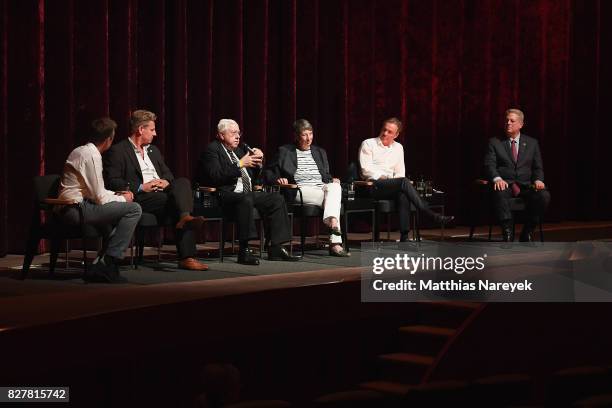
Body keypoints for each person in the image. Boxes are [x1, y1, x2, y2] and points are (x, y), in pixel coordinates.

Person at [103, 110, 208, 271]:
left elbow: (168, 175)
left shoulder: (154, 150)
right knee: (177, 204)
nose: (155, 133)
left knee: (182, 182)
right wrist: (140, 186)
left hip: (163, 193)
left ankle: (185, 217)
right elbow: (113, 181)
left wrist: (165, 182)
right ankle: (187, 256)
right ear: (140, 130)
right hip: (141, 196)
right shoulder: (119, 151)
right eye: (152, 130)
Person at [197, 119, 300, 265]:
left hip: (247, 193)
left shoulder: (239, 151)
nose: (238, 136)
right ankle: (244, 250)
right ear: (221, 135)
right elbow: (215, 175)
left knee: (276, 198)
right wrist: (239, 164)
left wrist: (258, 165)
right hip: (225, 194)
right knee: (245, 199)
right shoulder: (212, 150)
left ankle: (276, 247)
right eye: (233, 133)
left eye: (239, 133)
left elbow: (254, 178)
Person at [57, 117, 142, 283]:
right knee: (134, 209)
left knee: (118, 216)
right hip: (75, 209)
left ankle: (99, 267)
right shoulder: (92, 155)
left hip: (79, 206)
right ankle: (110, 262)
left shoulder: (81, 150)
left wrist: (117, 197)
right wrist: (124, 198)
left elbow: (97, 192)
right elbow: (100, 198)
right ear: (109, 139)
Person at [358, 117, 454, 241]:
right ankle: (429, 213)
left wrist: (395, 181)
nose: (385, 133)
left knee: (403, 193)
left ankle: (404, 238)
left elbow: (400, 173)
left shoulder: (398, 148)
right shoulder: (368, 143)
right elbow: (366, 170)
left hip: (393, 185)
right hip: (373, 186)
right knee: (403, 182)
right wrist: (388, 178)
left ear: (396, 135)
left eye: (390, 132)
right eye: (384, 129)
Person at [264, 119, 349, 256]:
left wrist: (332, 180)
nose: (309, 138)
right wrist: (277, 179)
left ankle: (332, 222)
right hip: (300, 189)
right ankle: (335, 242)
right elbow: (268, 172)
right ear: (297, 136)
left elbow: (325, 175)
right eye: (304, 134)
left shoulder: (319, 152)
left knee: (335, 187)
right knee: (334, 200)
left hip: (321, 187)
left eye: (311, 134)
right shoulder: (285, 151)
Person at [483, 108, 551, 242]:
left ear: (521, 124)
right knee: (500, 191)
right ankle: (507, 232)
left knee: (544, 195)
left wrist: (538, 180)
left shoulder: (532, 143)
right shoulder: (495, 142)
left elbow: (538, 167)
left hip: (526, 186)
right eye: (506, 120)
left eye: (512, 121)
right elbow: (489, 164)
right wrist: (497, 178)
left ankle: (528, 231)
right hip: (505, 184)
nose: (508, 123)